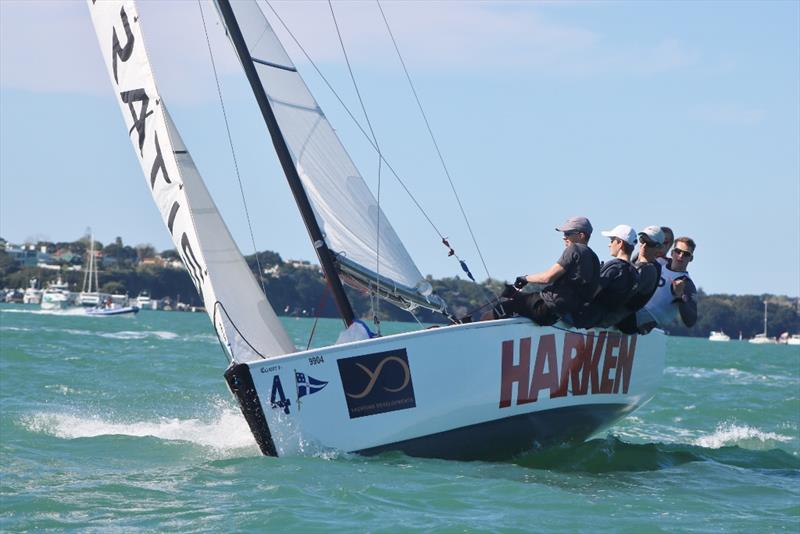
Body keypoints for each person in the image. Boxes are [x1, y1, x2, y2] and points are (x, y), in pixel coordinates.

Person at [498, 216, 600, 326]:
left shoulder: (574, 249)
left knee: (498, 309)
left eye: (568, 233)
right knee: (521, 298)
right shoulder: (594, 258)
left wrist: (524, 278)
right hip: (563, 313)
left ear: (581, 235)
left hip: (547, 307)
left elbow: (547, 277)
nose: (564, 237)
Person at [635, 236, 698, 332]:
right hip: (637, 309)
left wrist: (680, 296)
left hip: (649, 322)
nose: (680, 256)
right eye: (678, 251)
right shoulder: (660, 262)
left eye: (686, 254)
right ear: (672, 253)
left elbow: (691, 321)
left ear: (691, 258)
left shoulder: (687, 284)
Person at [616, 226, 664, 333]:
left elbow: (624, 292)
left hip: (623, 320)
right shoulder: (637, 259)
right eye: (642, 240)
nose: (644, 246)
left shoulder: (649, 269)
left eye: (650, 244)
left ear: (659, 248)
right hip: (622, 316)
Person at [589, 224, 640, 327]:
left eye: (612, 241)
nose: (609, 244)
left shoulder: (615, 266)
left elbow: (592, 292)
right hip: (605, 320)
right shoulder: (634, 273)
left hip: (588, 317)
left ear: (620, 243)